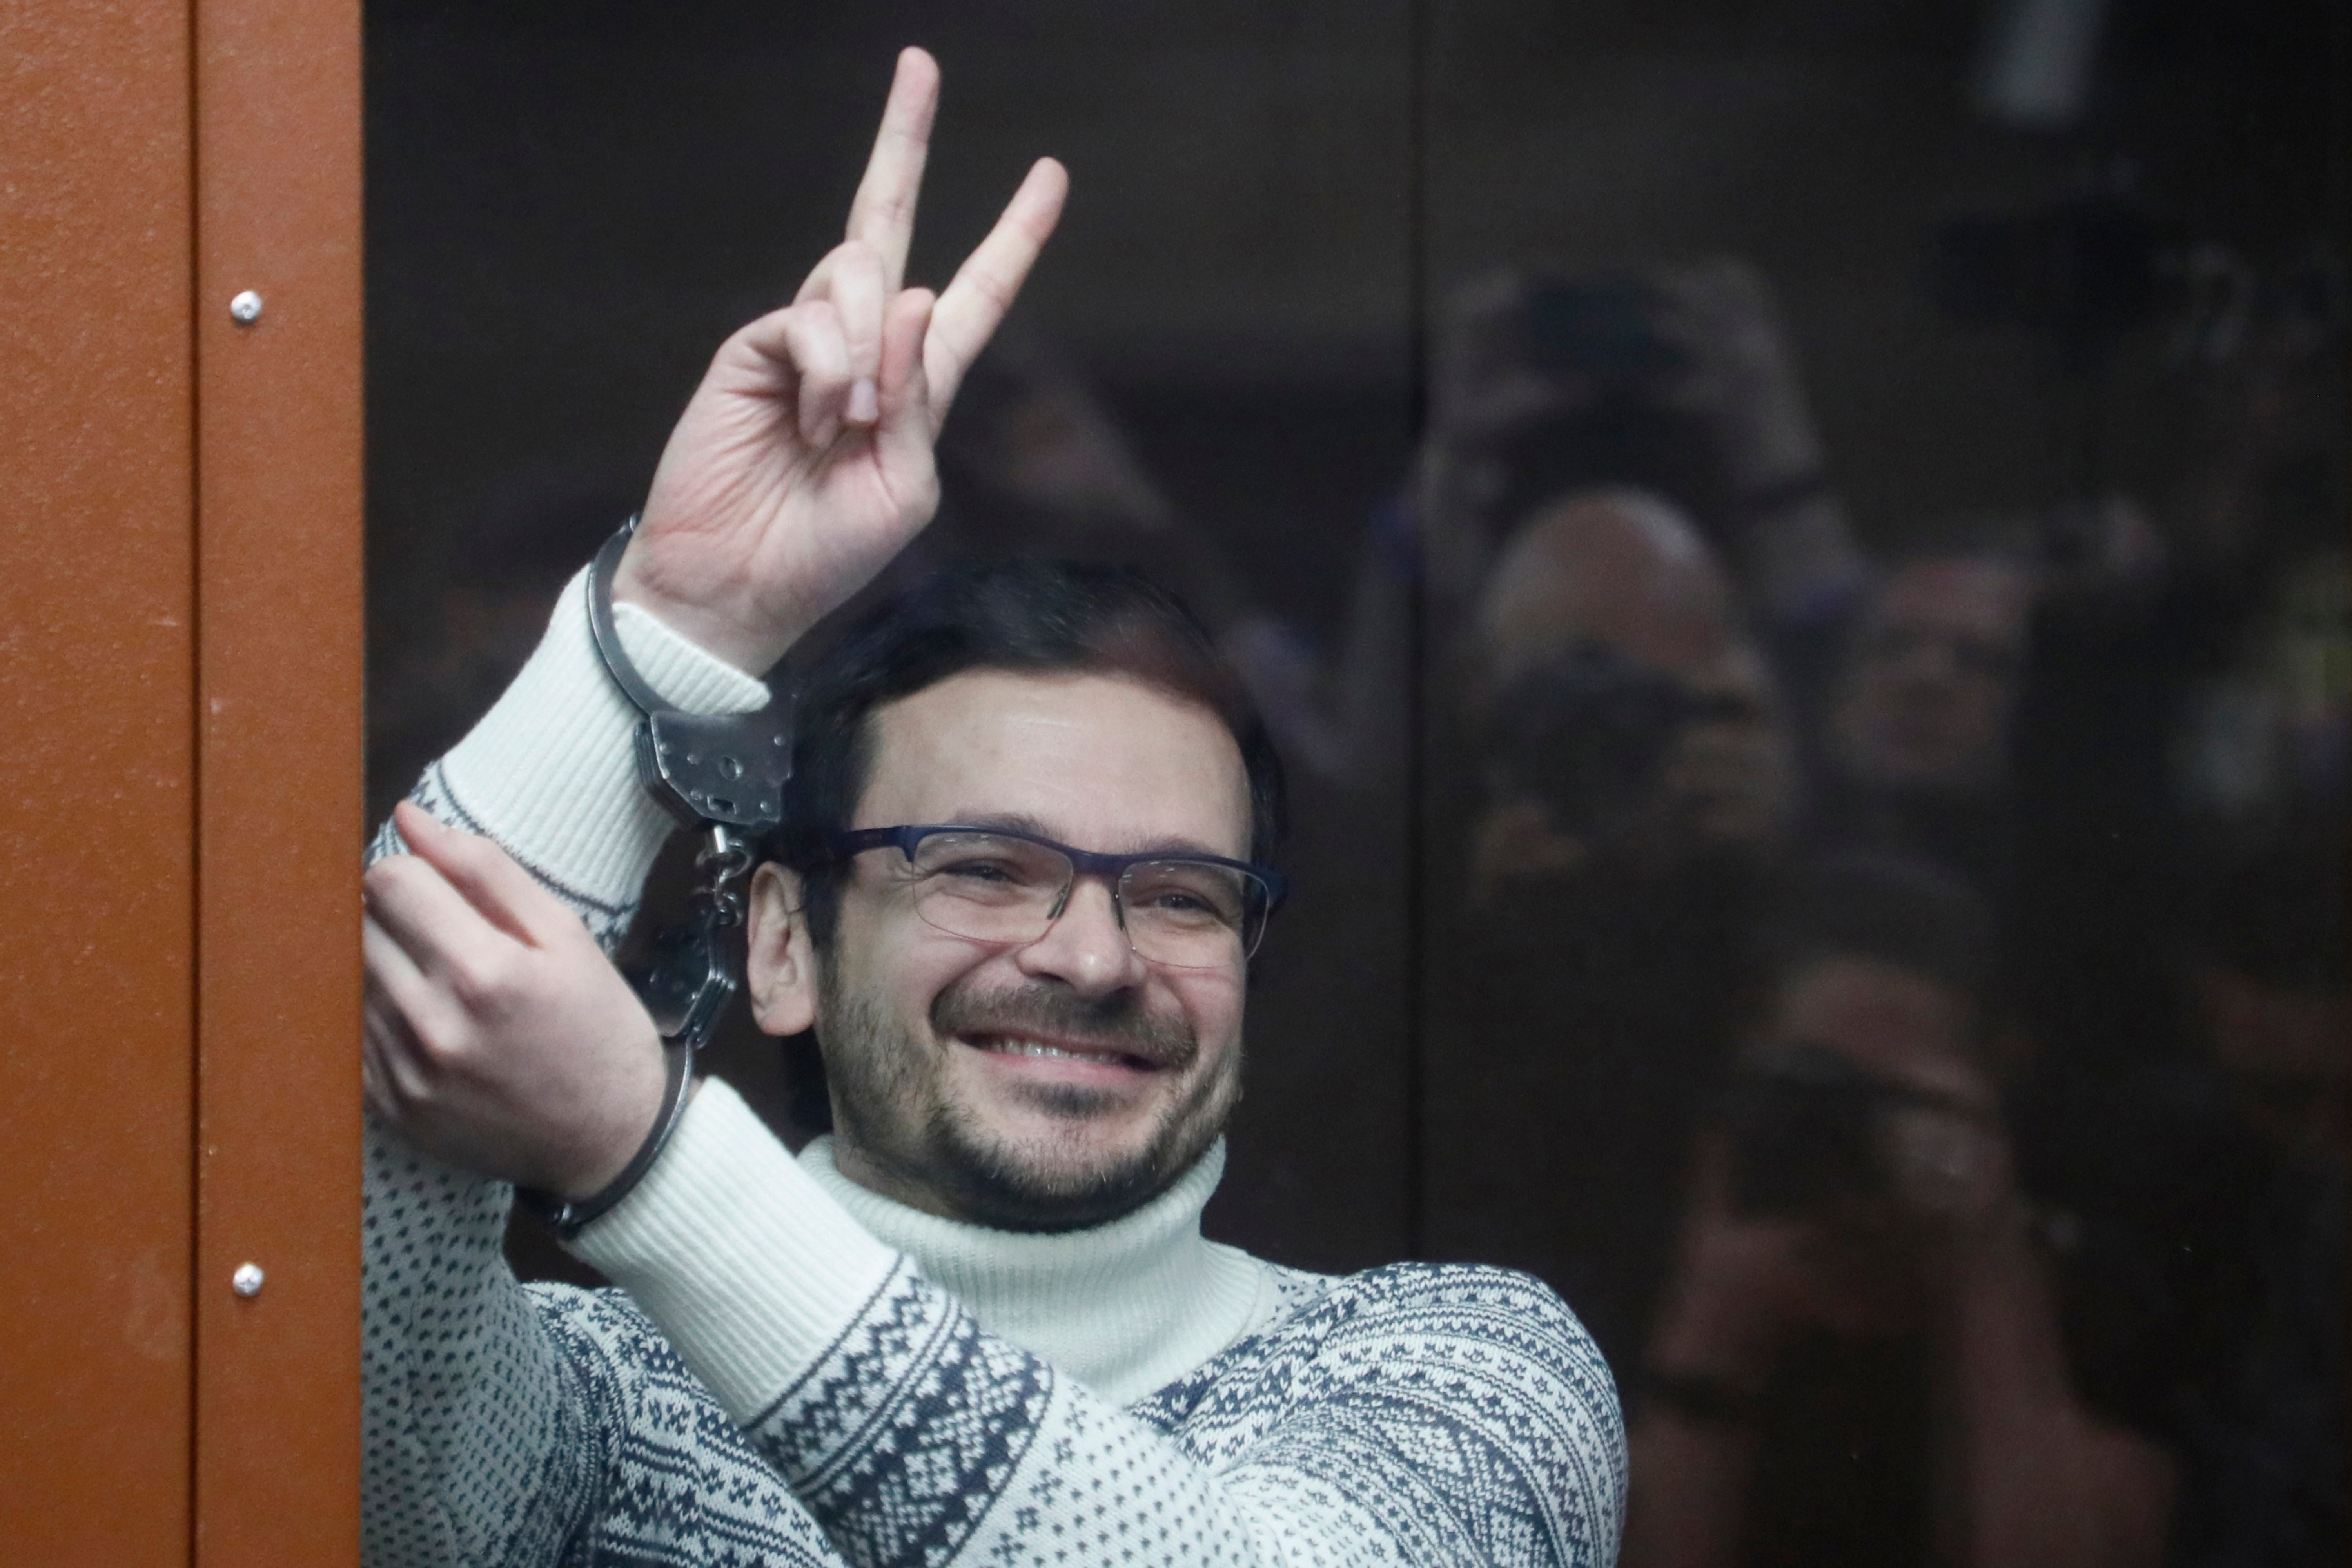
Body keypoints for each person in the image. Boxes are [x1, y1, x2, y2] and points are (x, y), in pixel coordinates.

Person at [357, 48, 1624, 1568]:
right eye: (983, 866)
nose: (1092, 957)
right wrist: (677, 619)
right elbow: (342, 1183)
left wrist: (645, 1154)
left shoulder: (1463, 1382)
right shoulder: (596, 1416)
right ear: (780, 944)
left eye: (1178, 894)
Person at [1620, 854, 2182, 1568]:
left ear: (1992, 1086)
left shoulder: (2090, 1294)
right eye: (1821, 1091)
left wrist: (1983, 1267)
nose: (1849, 1135)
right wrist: (1715, 1326)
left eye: (1894, 1102)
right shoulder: (1646, 1241)